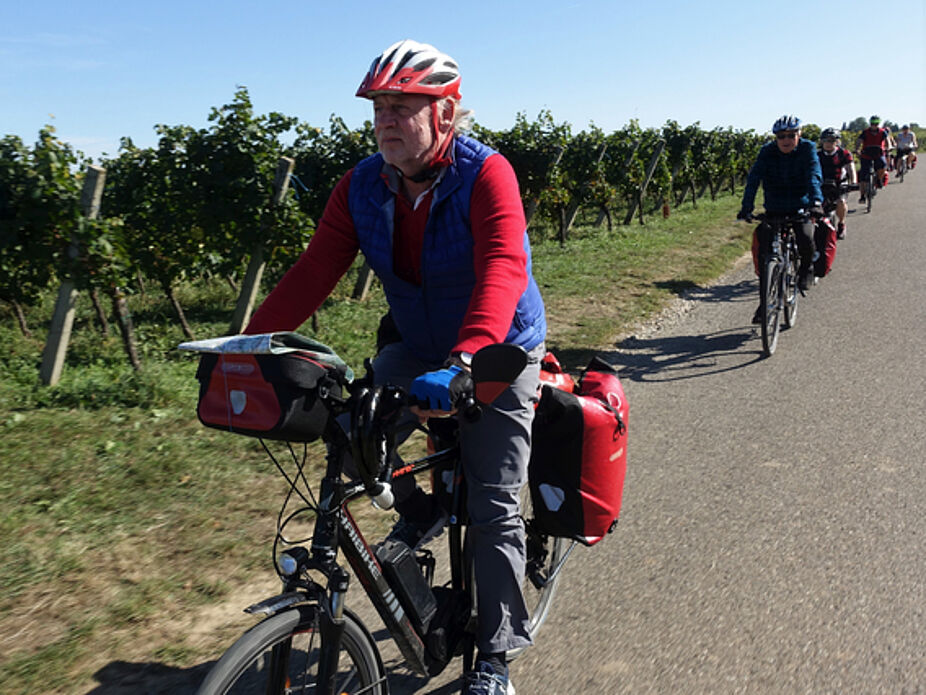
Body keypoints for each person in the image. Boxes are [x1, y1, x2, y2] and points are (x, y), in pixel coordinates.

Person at [244, 39, 546, 695]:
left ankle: (495, 657)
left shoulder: (486, 174)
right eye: (379, 107)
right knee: (350, 432)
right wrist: (250, 345)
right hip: (417, 345)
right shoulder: (361, 185)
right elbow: (316, 269)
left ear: (446, 113)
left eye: (402, 106)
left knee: (493, 503)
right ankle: (421, 508)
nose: (385, 119)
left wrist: (468, 358)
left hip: (496, 347)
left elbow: (503, 265)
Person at [737, 115, 823, 322]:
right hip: (774, 207)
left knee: (805, 236)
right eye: (781, 136)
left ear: (799, 134)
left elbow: (813, 175)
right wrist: (746, 207)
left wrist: (816, 201)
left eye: (791, 135)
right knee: (764, 249)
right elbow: (754, 178)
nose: (786, 140)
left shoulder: (807, 149)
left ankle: (806, 269)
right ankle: (764, 301)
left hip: (800, 206)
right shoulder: (767, 151)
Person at [817, 127, 856, 239]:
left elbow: (851, 168)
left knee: (841, 202)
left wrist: (853, 181)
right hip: (822, 184)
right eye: (825, 140)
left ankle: (841, 224)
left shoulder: (844, 153)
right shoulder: (817, 155)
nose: (828, 143)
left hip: (840, 183)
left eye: (831, 140)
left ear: (837, 141)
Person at [855, 115, 890, 202]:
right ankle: (862, 196)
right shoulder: (865, 132)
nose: (874, 125)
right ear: (870, 123)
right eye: (872, 123)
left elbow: (887, 141)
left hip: (879, 154)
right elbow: (859, 141)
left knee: (883, 166)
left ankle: (879, 179)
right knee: (863, 176)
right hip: (866, 155)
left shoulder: (882, 132)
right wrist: (857, 149)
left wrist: (888, 147)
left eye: (876, 123)